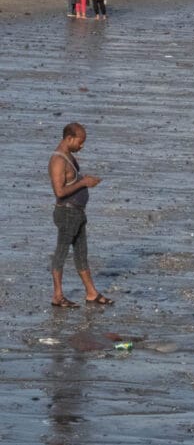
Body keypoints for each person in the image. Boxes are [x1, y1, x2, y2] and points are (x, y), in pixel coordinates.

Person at [49, 123, 114, 308]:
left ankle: (91, 293)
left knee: (81, 255)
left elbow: (72, 181)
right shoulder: (58, 160)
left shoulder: (69, 157)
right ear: (69, 138)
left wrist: (85, 181)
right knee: (61, 253)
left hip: (77, 213)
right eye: (80, 141)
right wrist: (84, 182)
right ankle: (57, 296)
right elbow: (60, 191)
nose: (82, 146)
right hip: (67, 212)